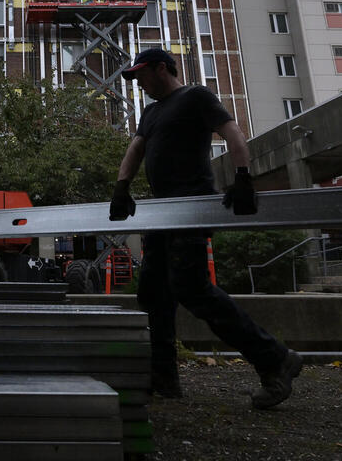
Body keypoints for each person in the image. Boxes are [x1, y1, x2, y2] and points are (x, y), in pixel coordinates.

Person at [110, 47, 302, 409]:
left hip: (190, 208)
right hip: (163, 214)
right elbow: (135, 150)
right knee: (152, 294)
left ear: (161, 68)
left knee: (190, 287)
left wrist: (244, 177)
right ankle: (163, 377)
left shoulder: (195, 96)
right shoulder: (151, 112)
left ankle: (275, 359)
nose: (139, 84)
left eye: (141, 76)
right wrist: (121, 188)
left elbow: (232, 132)